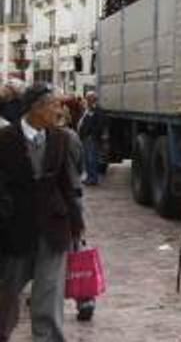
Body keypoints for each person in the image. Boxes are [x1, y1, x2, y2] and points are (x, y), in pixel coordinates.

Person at [0, 83, 86, 342]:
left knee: (48, 298)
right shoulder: (5, 140)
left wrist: (76, 223)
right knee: (6, 293)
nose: (60, 111)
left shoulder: (62, 138)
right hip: (14, 230)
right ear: (36, 108)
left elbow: (67, 183)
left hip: (54, 228)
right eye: (55, 105)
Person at [55, 106, 96, 322]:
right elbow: (80, 166)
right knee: (76, 249)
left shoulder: (49, 138)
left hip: (56, 201)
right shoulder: (71, 137)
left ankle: (45, 296)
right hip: (74, 196)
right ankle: (85, 299)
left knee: (48, 252)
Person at [77, 92, 105, 186]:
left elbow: (100, 124)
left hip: (91, 138)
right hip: (85, 137)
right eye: (86, 98)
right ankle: (89, 177)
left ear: (93, 99)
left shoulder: (97, 110)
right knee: (87, 159)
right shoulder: (87, 109)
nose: (86, 100)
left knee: (92, 159)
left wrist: (91, 134)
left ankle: (93, 178)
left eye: (88, 98)